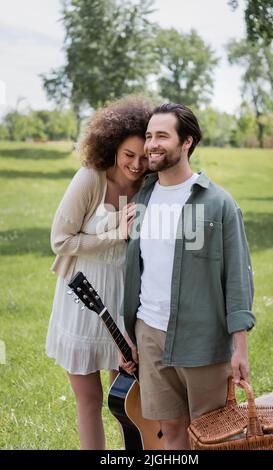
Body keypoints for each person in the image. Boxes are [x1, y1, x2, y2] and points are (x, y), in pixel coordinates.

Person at [120, 103, 256, 450]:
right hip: (150, 335)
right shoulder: (142, 199)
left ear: (187, 143)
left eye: (162, 136)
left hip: (203, 340)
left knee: (211, 435)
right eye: (149, 136)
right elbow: (139, 270)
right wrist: (130, 333)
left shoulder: (218, 203)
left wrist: (240, 347)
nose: (152, 144)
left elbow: (237, 277)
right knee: (170, 429)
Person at [46, 96, 152, 450]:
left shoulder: (149, 187)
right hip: (83, 297)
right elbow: (60, 240)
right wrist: (113, 234)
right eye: (128, 155)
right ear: (112, 148)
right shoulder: (90, 179)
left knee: (127, 401)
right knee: (89, 400)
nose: (136, 165)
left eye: (143, 156)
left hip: (124, 299)